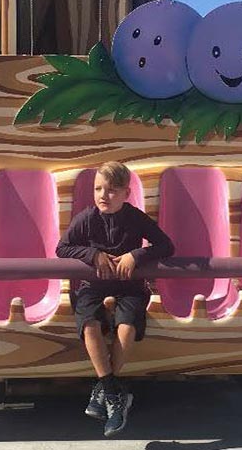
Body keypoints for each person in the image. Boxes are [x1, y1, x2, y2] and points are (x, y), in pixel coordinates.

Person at [56, 161, 175, 437]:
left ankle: (104, 391)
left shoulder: (135, 218)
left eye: (111, 190)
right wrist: (91, 255)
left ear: (126, 192)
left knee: (127, 326)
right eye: (98, 189)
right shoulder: (86, 218)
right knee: (90, 324)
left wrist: (137, 255)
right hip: (93, 285)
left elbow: (166, 245)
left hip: (129, 286)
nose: (102, 196)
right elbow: (62, 248)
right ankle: (113, 394)